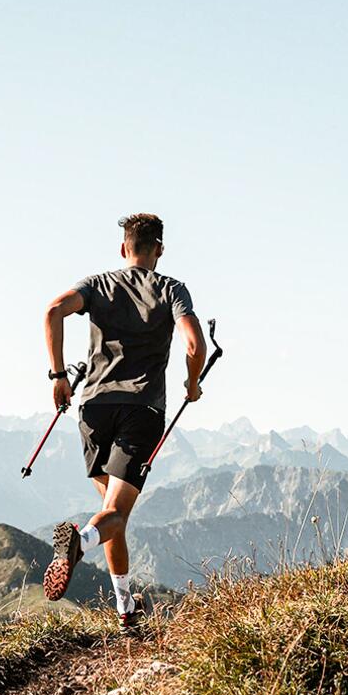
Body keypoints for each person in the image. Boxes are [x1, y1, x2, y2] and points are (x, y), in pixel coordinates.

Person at [40, 213, 206, 630]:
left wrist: (59, 376)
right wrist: (192, 383)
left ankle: (125, 609)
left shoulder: (96, 285)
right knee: (112, 514)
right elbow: (194, 342)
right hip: (142, 410)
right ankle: (79, 542)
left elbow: (54, 311)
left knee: (114, 514)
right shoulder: (170, 289)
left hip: (93, 408)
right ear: (160, 250)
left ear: (122, 248)